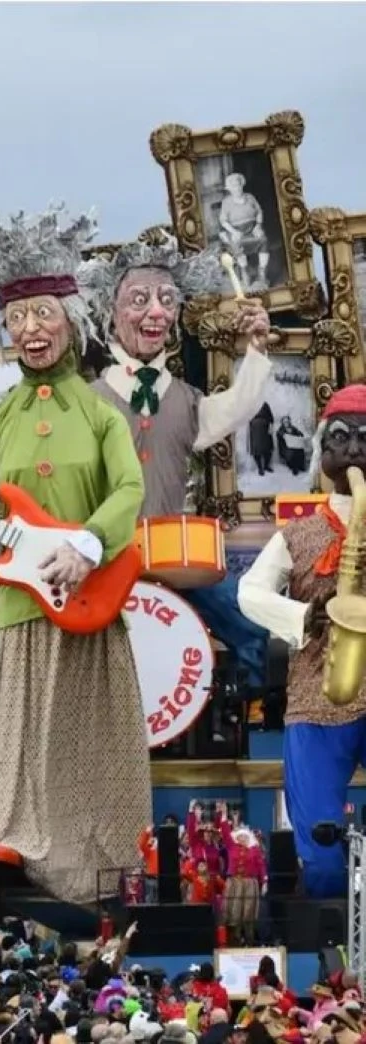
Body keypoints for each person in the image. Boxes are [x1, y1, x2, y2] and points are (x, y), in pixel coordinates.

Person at [0, 204, 150, 907]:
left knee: (79, 742)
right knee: (11, 736)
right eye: (17, 319)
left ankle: (89, 859)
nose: (31, 331)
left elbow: (129, 489)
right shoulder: (1, 415)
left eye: (43, 315)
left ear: (71, 320)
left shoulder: (102, 411)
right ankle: (6, 841)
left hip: (88, 596)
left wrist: (85, 544)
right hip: (18, 604)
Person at [77, 230, 274, 705]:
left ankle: (240, 703)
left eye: (167, 299)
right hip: (103, 556)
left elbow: (238, 407)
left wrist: (257, 348)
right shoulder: (86, 402)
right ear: (113, 313)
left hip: (170, 553)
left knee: (247, 622)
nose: (155, 311)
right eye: (139, 299)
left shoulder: (185, 400)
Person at [237, 383, 366, 898]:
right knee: (319, 842)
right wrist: (301, 614)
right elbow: (249, 591)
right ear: (323, 450)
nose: (355, 448)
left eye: (365, 437)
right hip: (317, 697)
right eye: (342, 437)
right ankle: (333, 949)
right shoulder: (297, 533)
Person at [219, 173, 270, 291]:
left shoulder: (250, 197)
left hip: (252, 228)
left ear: (242, 185)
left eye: (238, 185)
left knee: (263, 240)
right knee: (237, 244)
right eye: (233, 187)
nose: (237, 189)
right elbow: (223, 221)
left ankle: (262, 273)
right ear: (229, 189)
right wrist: (234, 232)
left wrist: (258, 226)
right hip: (236, 230)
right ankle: (245, 271)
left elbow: (259, 212)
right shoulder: (226, 202)